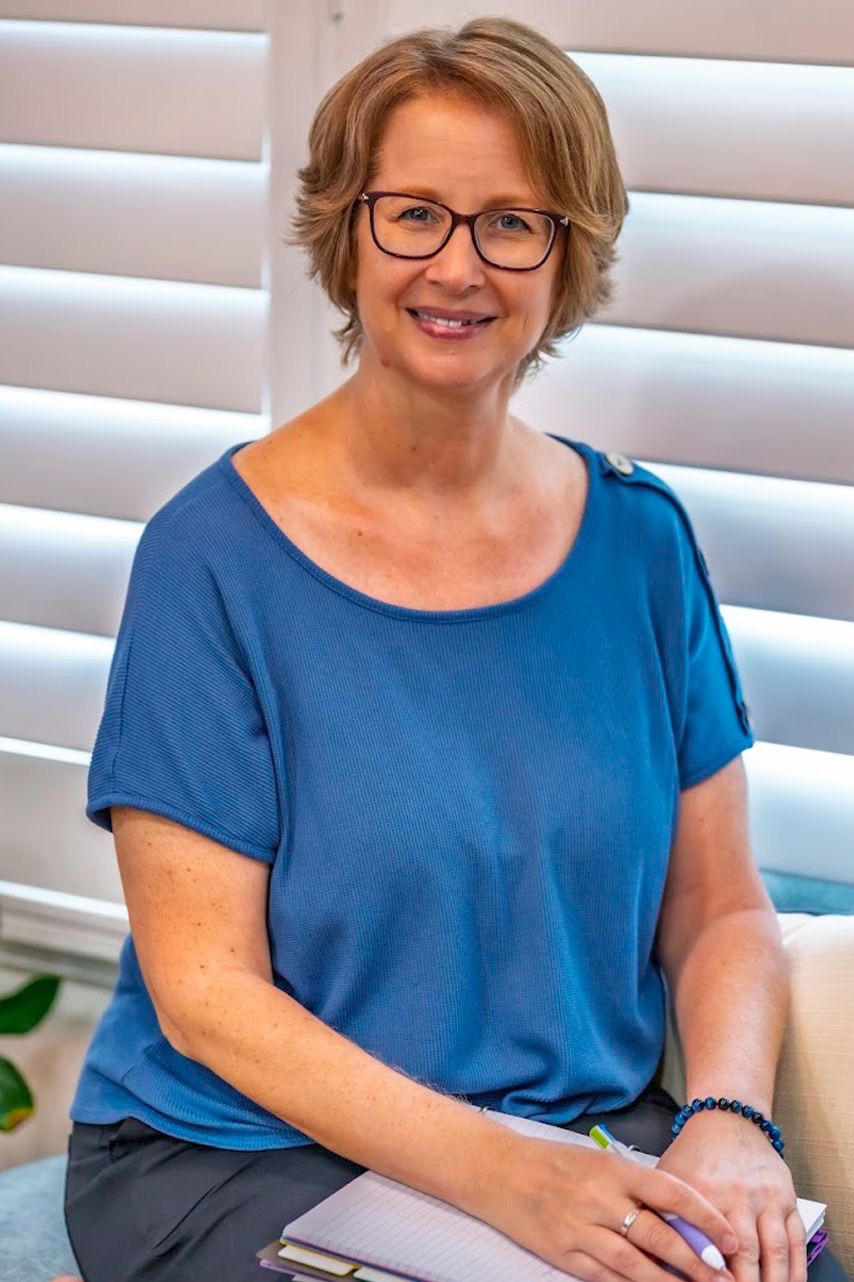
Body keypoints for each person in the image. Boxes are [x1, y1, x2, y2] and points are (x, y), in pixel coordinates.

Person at [61, 16, 847, 1282]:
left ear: (566, 253)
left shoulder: (639, 541)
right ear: (345, 231)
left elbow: (716, 905)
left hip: (575, 1134)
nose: (457, 266)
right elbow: (207, 995)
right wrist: (507, 1177)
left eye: (511, 222)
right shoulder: (210, 558)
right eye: (414, 213)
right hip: (243, 1149)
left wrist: (726, 1118)